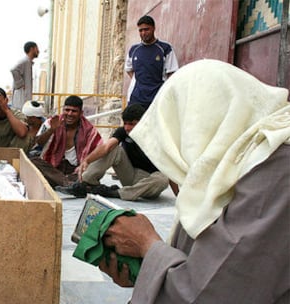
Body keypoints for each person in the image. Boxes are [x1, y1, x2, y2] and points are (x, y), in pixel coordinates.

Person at [97, 59, 290, 303]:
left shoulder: (277, 166)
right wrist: (145, 269)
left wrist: (147, 245)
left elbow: (216, 292)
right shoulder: (233, 163)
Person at [55, 104, 168, 200]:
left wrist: (179, 195)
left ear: (143, 122)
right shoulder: (123, 131)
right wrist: (87, 160)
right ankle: (85, 184)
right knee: (115, 149)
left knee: (163, 179)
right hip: (130, 175)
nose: (128, 127)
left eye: (132, 124)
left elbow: (171, 166)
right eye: (126, 123)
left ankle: (116, 193)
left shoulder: (157, 135)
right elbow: (106, 147)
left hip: (149, 184)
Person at [30, 95, 103, 187]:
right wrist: (51, 130)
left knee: (88, 174)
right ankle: (68, 184)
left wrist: (86, 163)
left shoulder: (89, 129)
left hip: (75, 170)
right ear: (63, 110)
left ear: (81, 113)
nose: (69, 114)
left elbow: (100, 148)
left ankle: (65, 183)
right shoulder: (51, 122)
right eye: (67, 110)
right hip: (53, 167)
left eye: (74, 111)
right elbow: (39, 143)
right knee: (33, 161)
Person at [125, 15, 178, 109]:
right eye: (140, 30)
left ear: (153, 28)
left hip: (157, 98)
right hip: (136, 98)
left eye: (146, 29)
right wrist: (139, 82)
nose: (143, 33)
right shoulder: (134, 50)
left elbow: (171, 73)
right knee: (135, 123)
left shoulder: (165, 49)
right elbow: (129, 69)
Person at [10, 41, 39, 109]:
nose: (38, 51)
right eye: (36, 48)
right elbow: (13, 70)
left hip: (24, 99)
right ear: (32, 49)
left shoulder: (28, 62)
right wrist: (20, 84)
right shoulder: (25, 61)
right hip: (21, 98)